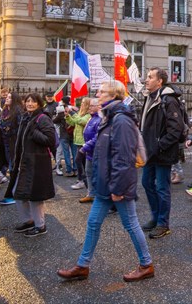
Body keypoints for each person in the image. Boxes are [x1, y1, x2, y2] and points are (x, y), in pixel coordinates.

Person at [57, 80, 154, 282]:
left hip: (117, 185)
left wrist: (118, 188)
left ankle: (146, 265)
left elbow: (123, 158)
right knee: (93, 223)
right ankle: (82, 266)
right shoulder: (108, 117)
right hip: (104, 183)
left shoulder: (121, 120)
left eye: (101, 91)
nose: (97, 94)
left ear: (113, 95)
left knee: (131, 225)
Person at [139, 67, 184, 239]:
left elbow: (176, 129)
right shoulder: (149, 98)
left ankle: (163, 223)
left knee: (162, 188)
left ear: (160, 81)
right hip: (149, 152)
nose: (146, 80)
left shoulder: (168, 100)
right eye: (147, 76)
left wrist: (159, 145)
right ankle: (156, 216)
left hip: (162, 152)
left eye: (150, 77)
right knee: (147, 183)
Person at [11, 93, 58, 237]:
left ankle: (40, 225)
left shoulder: (42, 118)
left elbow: (50, 140)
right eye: (27, 101)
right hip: (25, 162)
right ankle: (29, 220)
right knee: (18, 193)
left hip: (38, 162)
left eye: (33, 102)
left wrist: (34, 131)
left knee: (35, 196)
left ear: (39, 103)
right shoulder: (26, 117)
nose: (30, 104)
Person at [0, 92, 24, 206]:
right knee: (10, 166)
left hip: (13, 143)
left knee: (14, 168)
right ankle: (14, 192)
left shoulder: (17, 111)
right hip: (5, 142)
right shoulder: (4, 111)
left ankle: (14, 193)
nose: (7, 98)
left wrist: (9, 130)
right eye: (7, 97)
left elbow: (20, 128)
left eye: (9, 97)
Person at [78, 98, 101, 203]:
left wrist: (85, 147)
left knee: (97, 175)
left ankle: (97, 196)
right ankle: (91, 193)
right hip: (89, 151)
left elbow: (97, 137)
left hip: (96, 151)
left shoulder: (99, 119)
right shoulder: (92, 118)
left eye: (92, 106)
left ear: (98, 106)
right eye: (90, 105)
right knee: (88, 172)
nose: (90, 107)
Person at [67, 97, 92, 190]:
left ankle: (82, 180)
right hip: (78, 141)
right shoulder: (80, 114)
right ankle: (84, 180)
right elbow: (74, 123)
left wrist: (72, 113)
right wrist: (67, 116)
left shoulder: (88, 115)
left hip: (83, 142)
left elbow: (81, 121)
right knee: (82, 161)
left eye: (83, 103)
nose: (81, 104)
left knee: (79, 160)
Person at [53, 96, 77, 176]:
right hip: (73, 134)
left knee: (66, 153)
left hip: (64, 135)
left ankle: (69, 170)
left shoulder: (61, 111)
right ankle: (75, 169)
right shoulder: (74, 110)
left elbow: (54, 121)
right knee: (74, 153)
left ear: (63, 102)